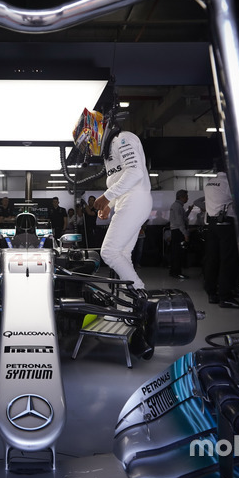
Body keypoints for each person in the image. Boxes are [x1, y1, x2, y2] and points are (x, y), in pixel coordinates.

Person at [73, 107, 153, 358]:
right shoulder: (108, 156)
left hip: (137, 199)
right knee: (122, 255)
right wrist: (110, 204)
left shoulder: (124, 139)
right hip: (127, 202)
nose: (89, 148)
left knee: (108, 251)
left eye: (88, 142)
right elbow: (120, 183)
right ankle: (125, 308)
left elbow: (136, 173)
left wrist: (107, 197)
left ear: (96, 130)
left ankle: (142, 299)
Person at [203, 166, 239, 309]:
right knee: (228, 259)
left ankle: (211, 292)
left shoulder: (209, 182)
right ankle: (226, 296)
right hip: (226, 223)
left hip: (212, 223)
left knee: (212, 258)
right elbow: (238, 200)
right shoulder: (229, 183)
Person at [168, 190, 192, 279]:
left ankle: (174, 271)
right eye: (186, 197)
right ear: (181, 197)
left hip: (177, 231)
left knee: (176, 252)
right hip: (178, 231)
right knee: (178, 253)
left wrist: (189, 211)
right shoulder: (177, 206)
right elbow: (180, 222)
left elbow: (183, 218)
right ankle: (177, 272)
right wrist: (185, 234)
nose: (187, 198)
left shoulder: (177, 206)